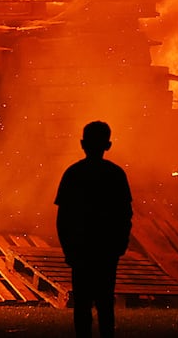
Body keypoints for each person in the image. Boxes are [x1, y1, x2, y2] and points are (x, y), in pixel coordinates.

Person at [54, 120, 133, 338]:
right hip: (106, 249)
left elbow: (64, 217)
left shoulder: (73, 173)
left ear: (82, 144)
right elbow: (125, 214)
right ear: (108, 145)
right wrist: (120, 243)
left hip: (81, 249)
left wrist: (68, 248)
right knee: (106, 303)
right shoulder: (116, 174)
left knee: (82, 305)